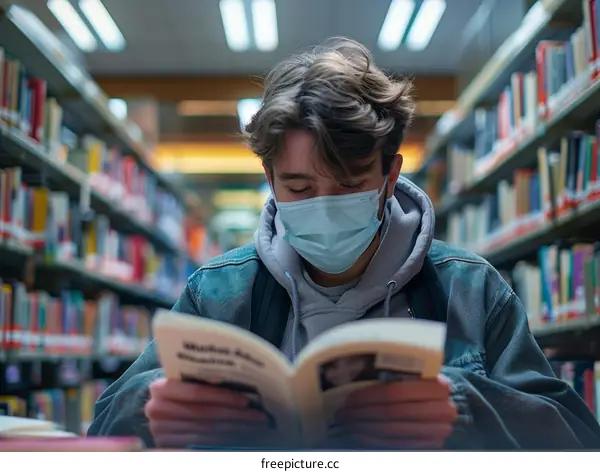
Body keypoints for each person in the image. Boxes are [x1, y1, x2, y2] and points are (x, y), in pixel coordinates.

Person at [87, 37, 600, 450]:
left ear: (390, 172)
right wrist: (150, 406)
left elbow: (578, 442)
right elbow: (103, 428)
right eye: (300, 188)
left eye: (351, 185)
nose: (325, 206)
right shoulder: (218, 293)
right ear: (269, 178)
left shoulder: (471, 288)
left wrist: (465, 408)